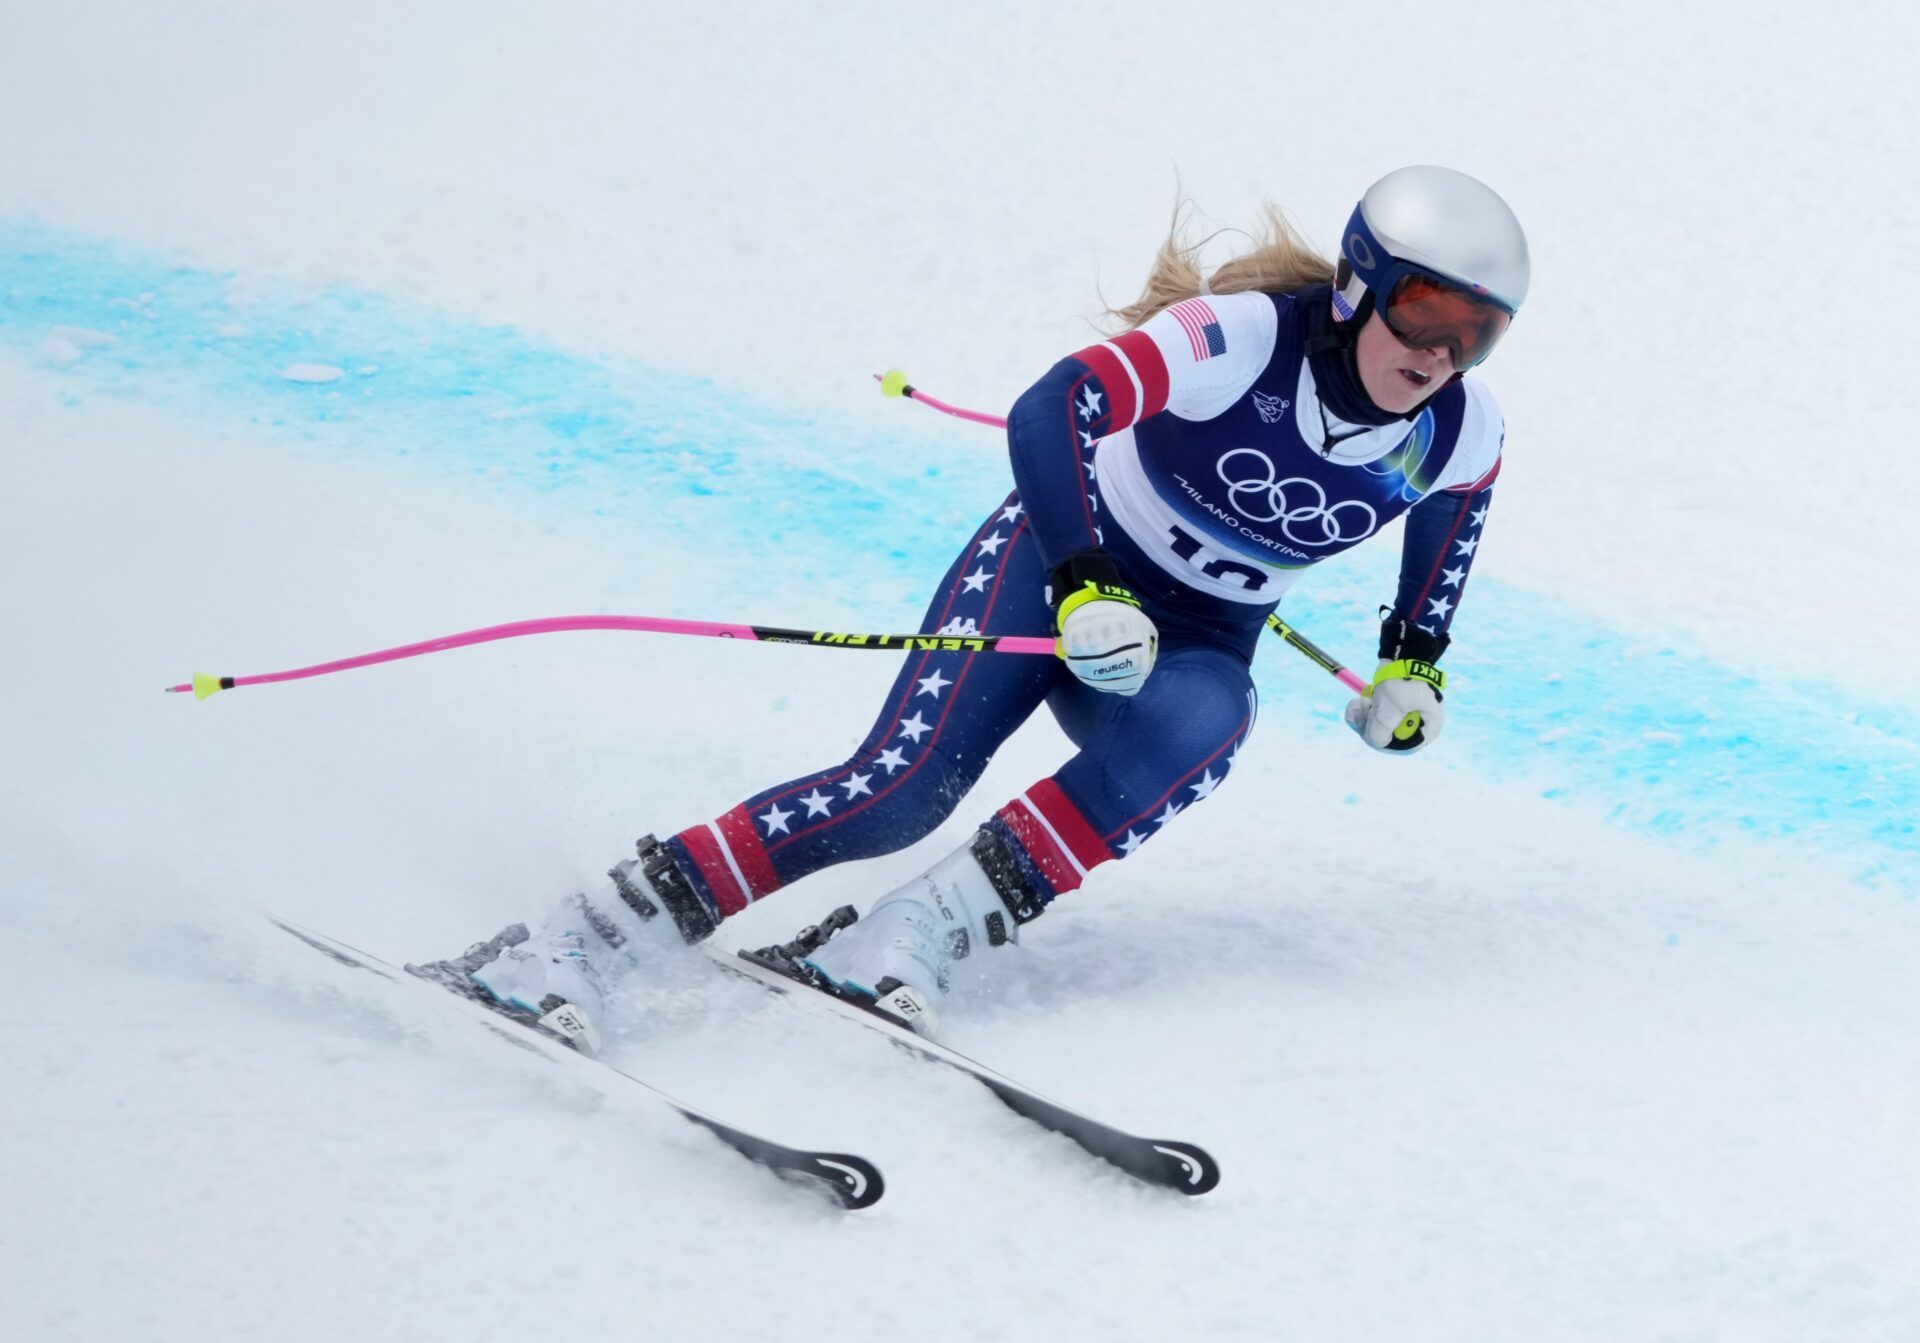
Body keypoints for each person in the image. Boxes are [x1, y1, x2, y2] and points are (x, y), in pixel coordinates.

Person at [409, 164, 1530, 1055]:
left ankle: (913, 933)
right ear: (1357, 286)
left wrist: (1414, 660)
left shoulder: (1456, 429)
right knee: (899, 792)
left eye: (1476, 331)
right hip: (1054, 568)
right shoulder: (1242, 339)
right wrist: (1085, 575)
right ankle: (581, 937)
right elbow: (1059, 405)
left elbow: (1456, 514)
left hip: (1189, 641)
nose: (1440, 354)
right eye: (1424, 310)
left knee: (1210, 720)